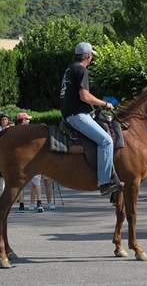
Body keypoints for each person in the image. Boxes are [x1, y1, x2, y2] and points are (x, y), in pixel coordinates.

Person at [59, 42, 123, 196]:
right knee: (106, 141)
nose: (92, 59)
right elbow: (84, 96)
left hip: (70, 113)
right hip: (77, 116)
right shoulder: (81, 69)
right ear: (87, 56)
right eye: (91, 56)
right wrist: (105, 103)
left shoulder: (69, 69)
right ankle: (104, 183)